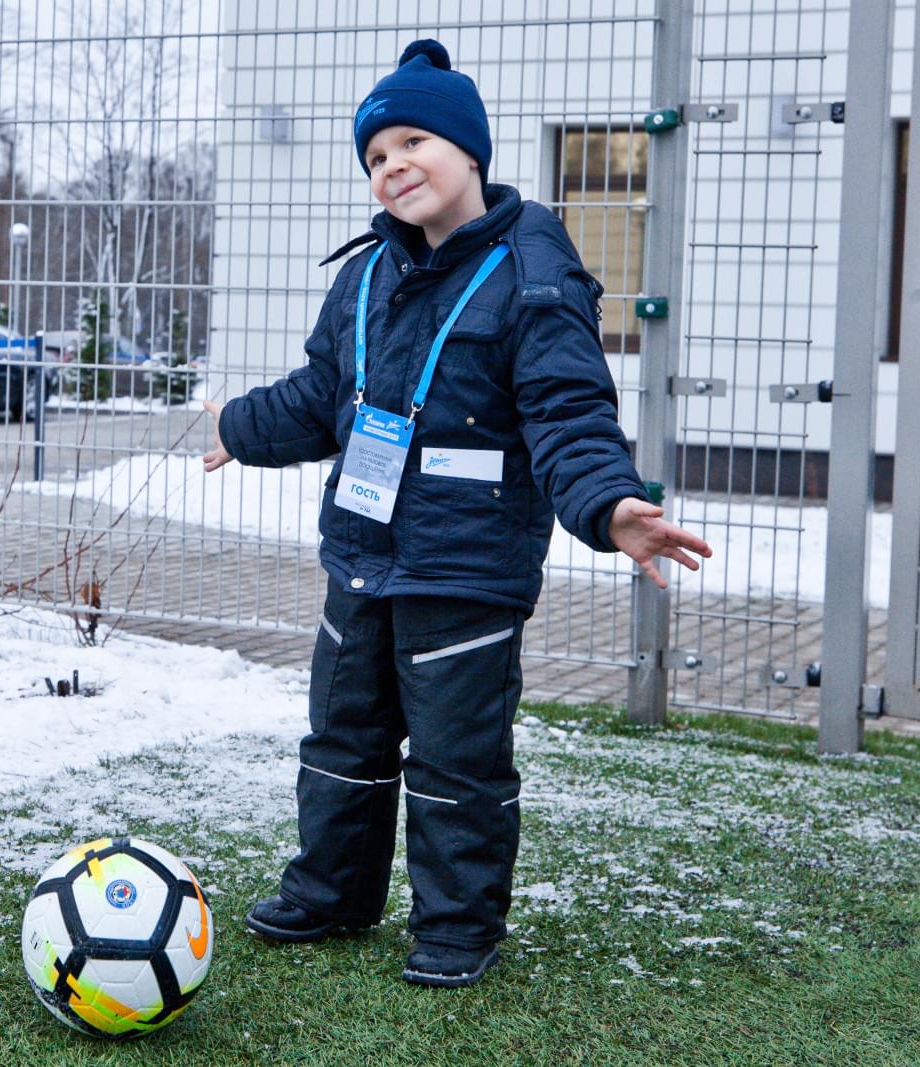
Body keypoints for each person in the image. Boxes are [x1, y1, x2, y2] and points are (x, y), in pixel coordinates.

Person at [201, 38, 712, 988]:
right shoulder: (363, 277)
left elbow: (567, 414)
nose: (393, 166)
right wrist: (241, 425)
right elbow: (321, 396)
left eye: (412, 143)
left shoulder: (534, 275)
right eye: (375, 156)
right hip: (361, 557)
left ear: (469, 150)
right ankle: (331, 892)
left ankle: (455, 925)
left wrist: (610, 504)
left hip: (466, 571)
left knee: (456, 759)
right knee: (343, 735)